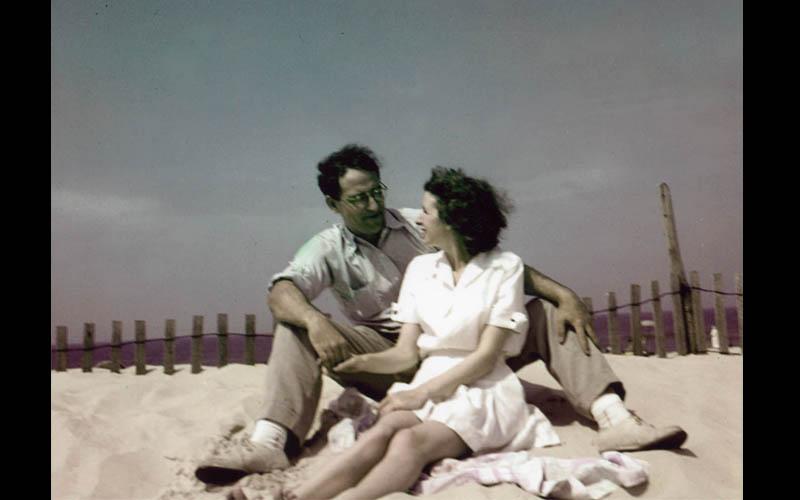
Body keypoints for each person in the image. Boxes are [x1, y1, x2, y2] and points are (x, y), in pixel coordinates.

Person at [194, 144, 686, 486]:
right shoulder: (325, 248)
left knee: (547, 311)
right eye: (358, 198)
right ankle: (271, 440)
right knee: (295, 324)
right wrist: (319, 321)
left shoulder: (419, 221)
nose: (372, 203)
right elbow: (282, 290)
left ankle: (613, 417)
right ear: (333, 203)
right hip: (392, 354)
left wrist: (565, 293)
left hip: (470, 347)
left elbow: (500, 265)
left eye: (376, 190)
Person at [287, 166, 555, 500]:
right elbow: (405, 353)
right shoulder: (421, 269)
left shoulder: (504, 267)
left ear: (453, 221)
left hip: (483, 389)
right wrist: (363, 363)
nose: (419, 220)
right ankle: (299, 496)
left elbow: (486, 357)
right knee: (383, 429)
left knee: (408, 441)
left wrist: (419, 394)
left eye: (427, 212)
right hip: (429, 379)